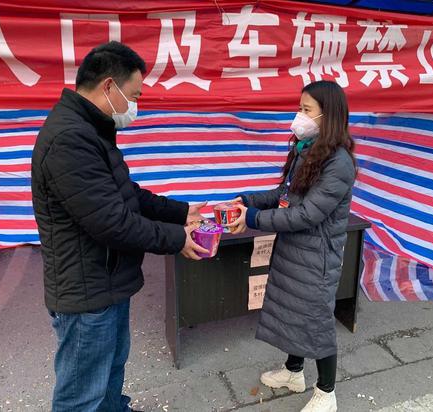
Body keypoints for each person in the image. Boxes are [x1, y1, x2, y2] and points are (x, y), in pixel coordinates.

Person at [31, 41, 207, 412]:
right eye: (134, 95)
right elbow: (112, 222)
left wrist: (183, 212)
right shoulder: (69, 139)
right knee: (82, 394)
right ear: (109, 86)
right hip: (87, 290)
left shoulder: (92, 129)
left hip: (107, 280)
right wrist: (178, 238)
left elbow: (128, 194)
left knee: (110, 370)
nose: (135, 106)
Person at [228, 80, 356, 412]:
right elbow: (285, 195)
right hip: (294, 249)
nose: (298, 116)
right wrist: (248, 200)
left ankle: (326, 393)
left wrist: (253, 218)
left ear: (327, 116)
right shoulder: (306, 150)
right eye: (299, 108)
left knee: (317, 321)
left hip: (317, 257)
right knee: (292, 311)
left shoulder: (338, 162)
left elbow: (307, 214)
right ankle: (293, 371)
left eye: (306, 110)